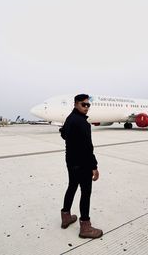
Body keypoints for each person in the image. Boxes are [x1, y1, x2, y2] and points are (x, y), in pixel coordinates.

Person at [59, 94, 103, 239]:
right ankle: (85, 227)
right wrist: (94, 166)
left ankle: (66, 217)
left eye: (88, 105)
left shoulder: (70, 118)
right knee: (86, 192)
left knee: (72, 186)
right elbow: (87, 148)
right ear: (76, 104)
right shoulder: (82, 123)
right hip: (82, 163)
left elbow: (63, 133)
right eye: (83, 104)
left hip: (70, 161)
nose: (86, 107)